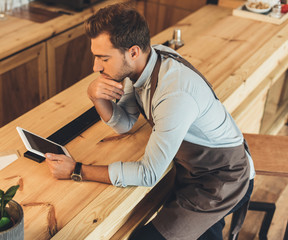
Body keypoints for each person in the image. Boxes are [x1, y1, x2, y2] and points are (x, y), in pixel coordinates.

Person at [45, 3, 255, 240]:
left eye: (103, 58)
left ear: (133, 52)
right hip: (192, 172)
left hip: (222, 180)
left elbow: (147, 174)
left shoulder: (174, 94)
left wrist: (77, 170)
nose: (95, 67)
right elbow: (125, 123)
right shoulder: (147, 61)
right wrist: (95, 97)